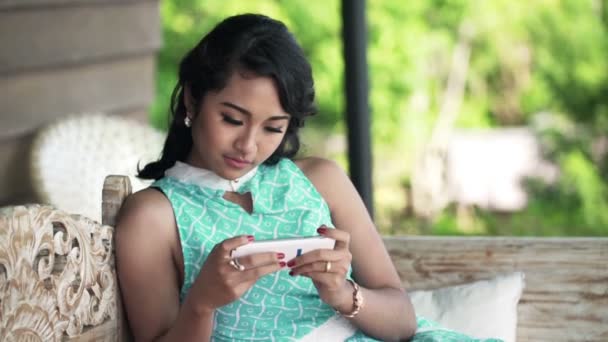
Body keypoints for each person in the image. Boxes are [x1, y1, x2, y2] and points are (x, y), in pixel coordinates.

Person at [115, 13, 501, 342]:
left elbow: (403, 321)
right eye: (232, 119)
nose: (248, 145)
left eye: (273, 127)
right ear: (192, 99)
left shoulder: (320, 179)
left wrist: (341, 292)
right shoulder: (152, 217)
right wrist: (202, 302)